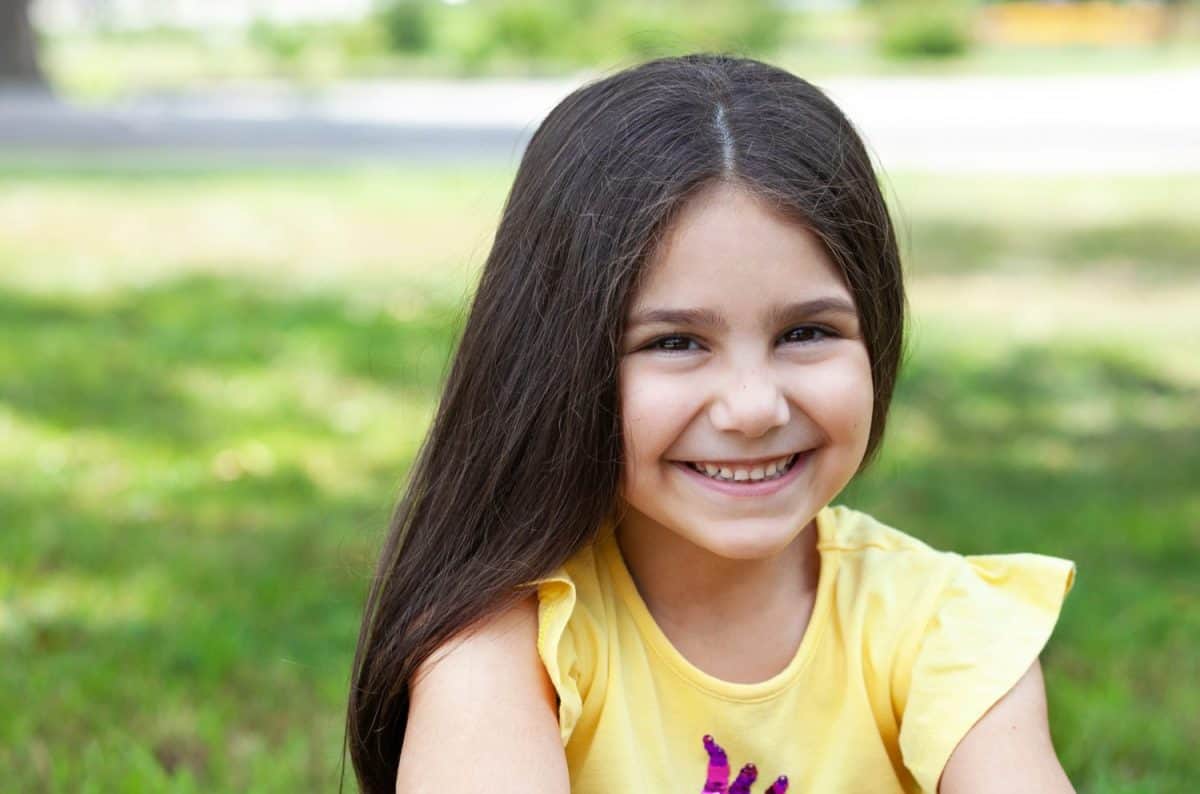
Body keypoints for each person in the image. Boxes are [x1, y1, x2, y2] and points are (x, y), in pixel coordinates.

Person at [345, 53, 1078, 794]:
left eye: (806, 333)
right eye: (675, 343)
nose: (754, 407)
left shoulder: (947, 630)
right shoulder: (506, 650)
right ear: (556, 359)